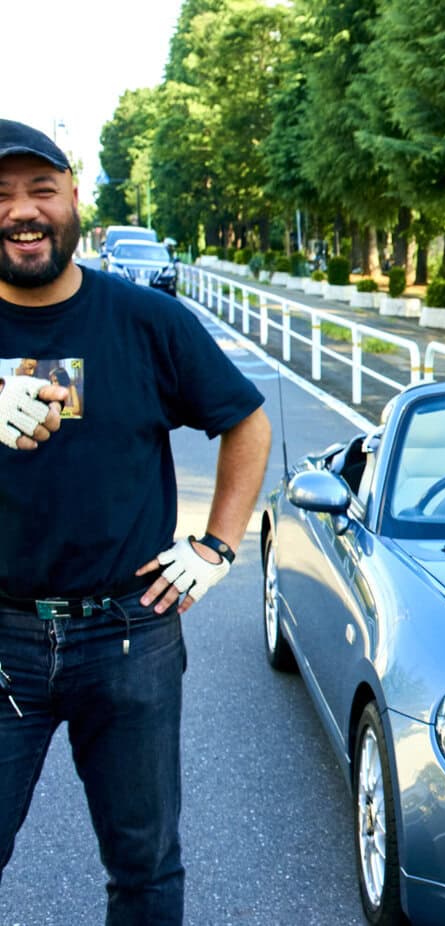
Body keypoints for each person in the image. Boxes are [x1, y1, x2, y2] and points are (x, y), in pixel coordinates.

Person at [0, 119, 272, 923]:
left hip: (129, 630)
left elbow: (246, 421)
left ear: (73, 196)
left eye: (40, 190)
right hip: (2, 635)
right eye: (2, 196)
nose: (22, 211)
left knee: (145, 865)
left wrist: (217, 548)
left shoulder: (144, 319)